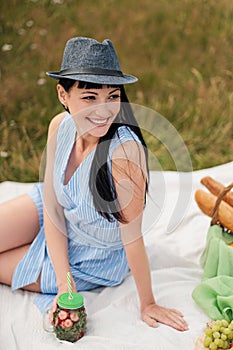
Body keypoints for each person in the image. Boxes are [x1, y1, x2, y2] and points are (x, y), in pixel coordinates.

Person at [0, 37, 188, 331]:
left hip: (90, 255)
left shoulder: (125, 154)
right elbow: (51, 208)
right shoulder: (59, 126)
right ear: (63, 95)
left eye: (112, 97)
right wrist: (63, 283)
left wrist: (148, 302)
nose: (103, 111)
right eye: (89, 97)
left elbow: (132, 237)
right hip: (53, 217)